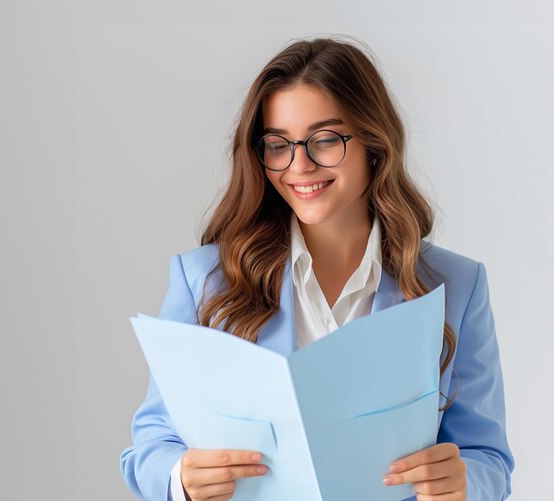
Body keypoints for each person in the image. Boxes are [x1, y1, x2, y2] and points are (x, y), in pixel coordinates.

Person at [119, 36, 515, 501]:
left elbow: (489, 459)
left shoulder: (457, 287)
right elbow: (149, 446)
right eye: (278, 144)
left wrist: (466, 481)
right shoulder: (204, 280)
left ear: (373, 141)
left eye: (325, 140)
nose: (299, 166)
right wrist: (180, 477)